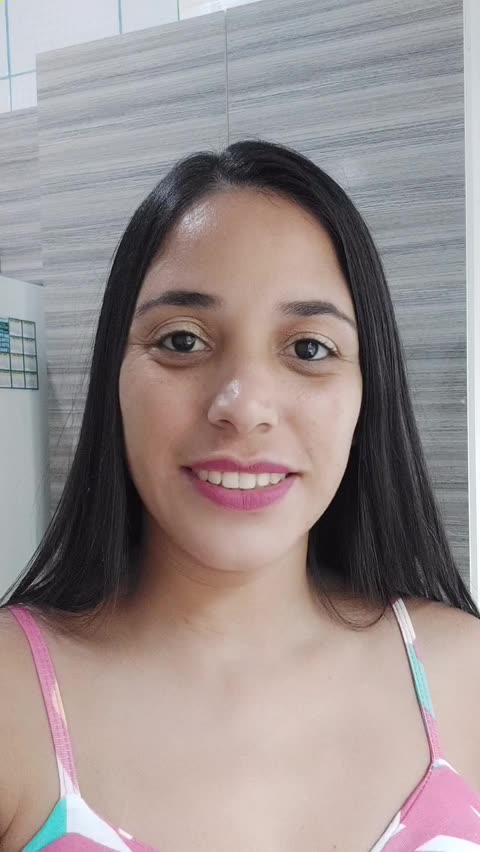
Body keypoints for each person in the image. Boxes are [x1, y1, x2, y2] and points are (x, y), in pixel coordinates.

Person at [0, 139, 479, 852]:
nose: (244, 406)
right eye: (182, 341)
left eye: (309, 349)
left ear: (367, 391)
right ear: (114, 377)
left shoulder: (466, 676)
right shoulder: (10, 700)